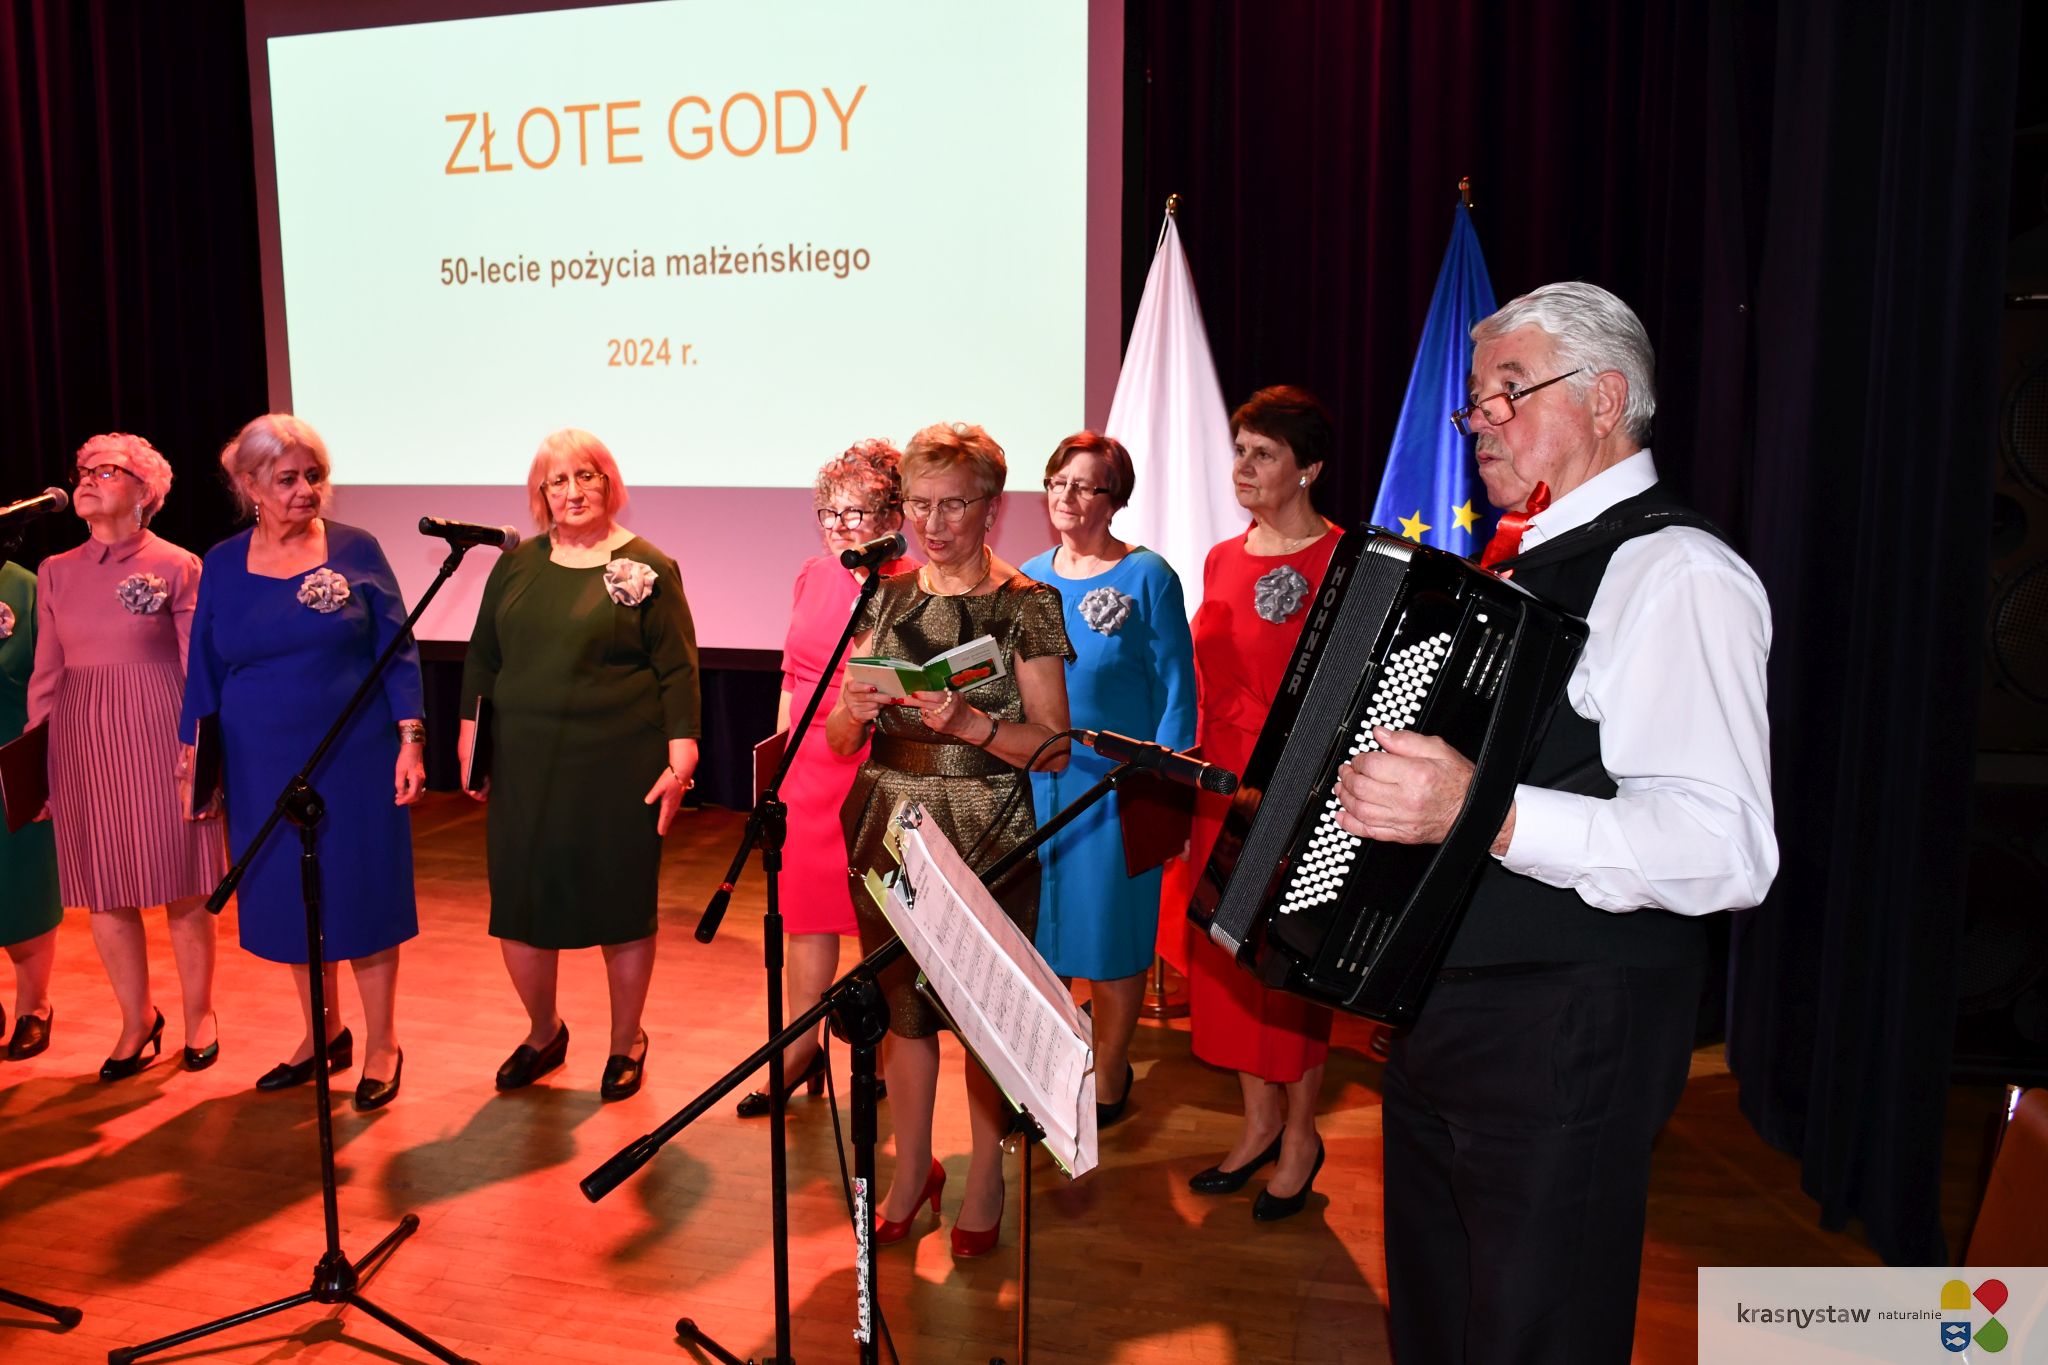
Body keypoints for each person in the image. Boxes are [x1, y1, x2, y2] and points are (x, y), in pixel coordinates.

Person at [1333, 281, 1776, 1364]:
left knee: (1538, 1334)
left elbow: (1723, 848)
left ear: (1605, 398)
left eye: (1509, 391)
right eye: (1474, 401)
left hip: (1566, 1025)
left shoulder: (1674, 570)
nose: (1480, 422)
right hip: (1449, 1018)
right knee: (1441, 1328)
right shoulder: (1522, 566)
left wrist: (1476, 812)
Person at [829, 420, 1072, 1258]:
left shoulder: (1025, 603)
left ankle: (984, 1178)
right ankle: (911, 1170)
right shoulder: (888, 595)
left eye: (953, 505)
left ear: (992, 508)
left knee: (981, 1017)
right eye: (919, 504)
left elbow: (1055, 746)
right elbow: (837, 741)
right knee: (902, 1009)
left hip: (985, 828)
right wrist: (850, 708)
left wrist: (973, 724)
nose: (932, 523)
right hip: (887, 824)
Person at [181, 414, 425, 1111]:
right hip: (260, 759)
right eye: (287, 478)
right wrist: (198, 760)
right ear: (250, 485)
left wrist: (411, 736)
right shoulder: (222, 562)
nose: (304, 490)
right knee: (291, 896)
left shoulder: (356, 548)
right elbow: (204, 668)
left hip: (354, 751)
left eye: (313, 476)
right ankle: (323, 1033)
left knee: (362, 891)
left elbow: (397, 649)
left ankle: (383, 1043)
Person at [460, 429, 700, 1103]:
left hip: (619, 766)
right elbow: (483, 657)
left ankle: (626, 1041)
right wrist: (470, 735)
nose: (573, 492)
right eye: (558, 481)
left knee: (620, 907)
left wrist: (682, 754)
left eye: (586, 476)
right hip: (524, 763)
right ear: (540, 494)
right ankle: (544, 1032)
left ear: (609, 483)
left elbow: (678, 668)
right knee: (521, 905)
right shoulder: (515, 564)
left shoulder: (648, 565)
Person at [1180, 386, 1341, 1221]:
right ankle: (1258, 1123)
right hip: (1220, 785)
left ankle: (1302, 1135)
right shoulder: (1219, 557)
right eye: (1238, 450)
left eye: (1263, 453)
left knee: (1287, 970)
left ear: (1308, 468)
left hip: (1300, 790)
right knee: (1228, 962)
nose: (1242, 466)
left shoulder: (1346, 559)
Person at [29, 434, 228, 1079]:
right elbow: (46, 672)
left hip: (161, 731)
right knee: (105, 888)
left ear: (146, 493)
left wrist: (198, 748)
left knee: (182, 883)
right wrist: (36, 758)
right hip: (82, 739)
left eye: (107, 471)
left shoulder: (177, 564)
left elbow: (198, 665)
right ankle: (137, 1021)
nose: (87, 480)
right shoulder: (56, 570)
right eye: (83, 471)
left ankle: (199, 1015)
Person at [1020, 431, 1195, 1127]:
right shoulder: (1027, 575)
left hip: (1119, 790)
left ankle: (1111, 1072)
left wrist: (1168, 790)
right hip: (1041, 782)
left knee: (1113, 935)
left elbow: (1177, 691)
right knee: (1043, 936)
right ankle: (1052, 1068)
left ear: (1113, 499)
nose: (1065, 496)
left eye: (1083, 485)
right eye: (1057, 481)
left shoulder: (1148, 576)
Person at [735, 439, 914, 1118]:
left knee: (878, 924)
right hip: (807, 771)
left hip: (873, 763)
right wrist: (778, 767)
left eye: (855, 514)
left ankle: (885, 1059)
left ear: (891, 516)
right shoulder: (812, 572)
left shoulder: (910, 583)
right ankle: (799, 1051)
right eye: (829, 513)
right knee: (805, 923)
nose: (839, 527)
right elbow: (793, 675)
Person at [0, 546, 61, 1064]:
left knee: (26, 885)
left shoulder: (24, 587)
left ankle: (34, 1006)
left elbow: (52, 679)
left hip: (14, 755)